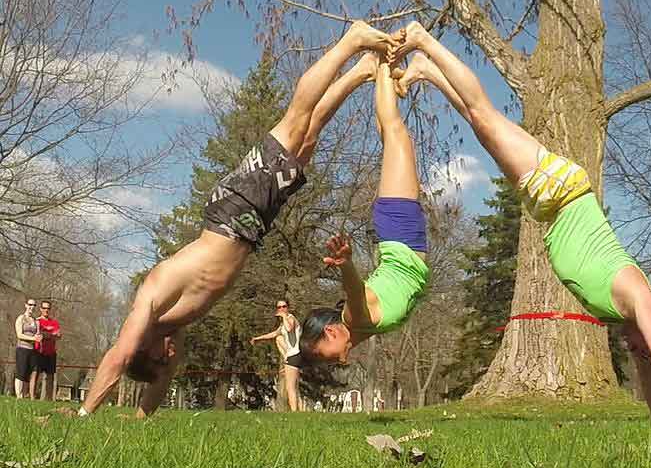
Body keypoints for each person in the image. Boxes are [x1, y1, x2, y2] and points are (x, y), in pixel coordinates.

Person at [79, 22, 400, 418]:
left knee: (296, 120)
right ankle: (360, 71)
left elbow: (118, 357)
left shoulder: (146, 310)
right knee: (309, 138)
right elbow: (160, 379)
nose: (173, 356)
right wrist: (142, 416)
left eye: (164, 357)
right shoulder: (169, 329)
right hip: (248, 223)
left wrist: (84, 414)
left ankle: (350, 41)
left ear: (145, 350)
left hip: (233, 210)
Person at [390, 21, 651, 422]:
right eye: (643, 347)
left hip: (551, 204)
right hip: (561, 191)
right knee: (485, 114)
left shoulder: (628, 317)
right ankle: (423, 39)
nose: (635, 351)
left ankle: (426, 70)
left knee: (484, 129)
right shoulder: (642, 299)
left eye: (638, 351)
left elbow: (647, 364)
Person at [300, 59, 430, 363]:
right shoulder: (356, 331)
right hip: (403, 237)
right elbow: (334, 347)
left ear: (331, 332)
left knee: (397, 134)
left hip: (401, 235)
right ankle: (386, 79)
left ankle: (382, 63)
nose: (337, 361)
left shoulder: (354, 318)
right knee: (393, 140)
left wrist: (345, 264)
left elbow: (354, 290)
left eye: (329, 357)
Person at [250, 299, 302, 411]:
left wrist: (283, 316)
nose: (282, 309)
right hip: (291, 355)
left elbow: (289, 328)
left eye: (284, 306)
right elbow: (274, 334)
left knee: (290, 388)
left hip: (295, 355)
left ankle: (295, 413)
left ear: (288, 307)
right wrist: (257, 338)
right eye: (279, 307)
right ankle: (298, 411)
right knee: (278, 338)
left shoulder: (291, 319)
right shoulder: (283, 324)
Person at [30, 300, 61, 401]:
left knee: (50, 376)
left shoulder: (54, 322)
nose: (46, 310)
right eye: (44, 308)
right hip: (39, 351)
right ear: (40, 309)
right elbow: (37, 335)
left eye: (48, 308)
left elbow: (59, 335)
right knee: (35, 374)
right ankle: (32, 397)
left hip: (51, 352)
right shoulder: (37, 321)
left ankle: (48, 399)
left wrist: (46, 334)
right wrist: (50, 335)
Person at [14, 299, 42, 399]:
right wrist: (32, 338)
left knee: (30, 372)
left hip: (32, 350)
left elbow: (37, 334)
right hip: (22, 348)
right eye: (30, 304)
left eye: (34, 305)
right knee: (20, 372)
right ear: (26, 305)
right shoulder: (21, 318)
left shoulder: (36, 321)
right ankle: (19, 396)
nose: (32, 307)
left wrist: (39, 337)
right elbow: (19, 335)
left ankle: (27, 395)